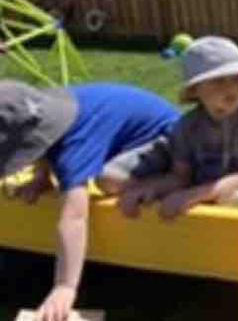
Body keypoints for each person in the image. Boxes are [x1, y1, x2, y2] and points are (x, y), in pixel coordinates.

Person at [0, 81, 179, 321]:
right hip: (125, 127)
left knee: (110, 180)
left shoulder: (75, 145)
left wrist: (64, 287)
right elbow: (40, 141)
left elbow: (74, 217)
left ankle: (172, 180)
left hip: (171, 140)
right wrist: (42, 177)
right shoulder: (47, 109)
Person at [118, 36, 238, 220]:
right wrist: (149, 189)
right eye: (218, 81)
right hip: (202, 196)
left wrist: (192, 196)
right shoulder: (187, 125)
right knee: (157, 201)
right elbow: (180, 177)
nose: (231, 88)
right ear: (195, 90)